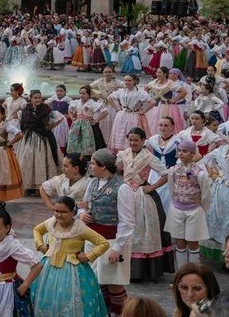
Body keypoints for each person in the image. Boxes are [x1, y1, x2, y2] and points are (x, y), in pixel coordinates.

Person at [78, 149, 135, 317]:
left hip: (112, 241)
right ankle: (103, 313)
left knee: (113, 282)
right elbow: (83, 204)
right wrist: (82, 214)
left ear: (103, 166)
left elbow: (127, 221)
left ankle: (121, 314)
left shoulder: (122, 188)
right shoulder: (93, 183)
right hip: (93, 240)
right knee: (96, 281)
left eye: (93, 163)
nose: (90, 166)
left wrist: (117, 248)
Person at [31, 196, 109, 316]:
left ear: (73, 212)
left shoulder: (80, 228)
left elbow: (103, 243)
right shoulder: (51, 223)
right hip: (48, 268)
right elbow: (37, 230)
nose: (59, 215)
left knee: (69, 298)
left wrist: (88, 256)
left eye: (63, 212)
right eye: (56, 211)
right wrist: (41, 246)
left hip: (73, 271)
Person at [116, 127, 174, 281]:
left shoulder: (148, 157)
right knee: (125, 226)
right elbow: (115, 167)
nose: (133, 143)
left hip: (142, 195)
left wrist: (152, 187)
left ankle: (142, 271)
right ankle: (124, 265)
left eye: (136, 140)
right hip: (125, 193)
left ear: (143, 141)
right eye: (131, 140)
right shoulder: (124, 154)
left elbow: (166, 174)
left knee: (143, 229)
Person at [165, 139, 212, 268]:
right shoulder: (173, 170)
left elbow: (206, 195)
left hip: (194, 209)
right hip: (177, 208)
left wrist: (200, 209)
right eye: (179, 150)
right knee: (179, 242)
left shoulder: (200, 173)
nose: (181, 153)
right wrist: (175, 203)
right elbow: (171, 188)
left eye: (185, 151)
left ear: (192, 153)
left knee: (192, 241)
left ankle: (195, 271)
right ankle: (181, 271)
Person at [17, 89, 61, 193]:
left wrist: (50, 127)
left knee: (40, 160)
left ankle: (41, 186)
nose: (38, 100)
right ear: (30, 98)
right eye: (35, 98)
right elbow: (22, 122)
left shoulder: (46, 109)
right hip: (29, 137)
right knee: (28, 159)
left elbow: (58, 119)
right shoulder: (25, 109)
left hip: (42, 137)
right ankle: (29, 185)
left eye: (39, 98)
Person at [203, 132, 229, 263]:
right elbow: (207, 159)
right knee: (218, 219)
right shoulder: (221, 150)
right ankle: (223, 256)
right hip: (220, 190)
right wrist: (213, 174)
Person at [107, 74, 152, 153]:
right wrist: (117, 109)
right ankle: (119, 153)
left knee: (131, 133)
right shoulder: (122, 91)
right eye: (126, 80)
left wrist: (144, 111)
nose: (127, 82)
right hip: (122, 116)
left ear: (134, 81)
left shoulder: (140, 92)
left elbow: (152, 101)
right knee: (120, 136)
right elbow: (109, 97)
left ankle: (132, 151)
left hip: (133, 115)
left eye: (129, 81)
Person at [145, 116, 181, 211]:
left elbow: (180, 159)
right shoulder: (153, 140)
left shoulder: (177, 142)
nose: (163, 128)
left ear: (172, 127)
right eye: (160, 125)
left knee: (167, 198)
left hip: (170, 173)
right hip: (155, 173)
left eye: (166, 125)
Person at [68, 85, 107, 155]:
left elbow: (105, 112)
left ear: (88, 94)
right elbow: (70, 110)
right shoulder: (76, 102)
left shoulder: (93, 103)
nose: (81, 95)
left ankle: (89, 156)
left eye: (84, 93)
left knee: (90, 142)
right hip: (77, 126)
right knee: (76, 141)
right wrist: (72, 118)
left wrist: (97, 120)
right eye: (80, 93)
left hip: (89, 126)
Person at [46, 85, 72, 154]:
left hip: (64, 121)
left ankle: (62, 151)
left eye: (61, 91)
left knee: (62, 136)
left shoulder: (68, 99)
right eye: (57, 91)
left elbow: (74, 107)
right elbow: (46, 102)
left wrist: (69, 115)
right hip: (55, 119)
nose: (59, 93)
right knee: (54, 135)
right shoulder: (54, 97)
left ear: (65, 92)